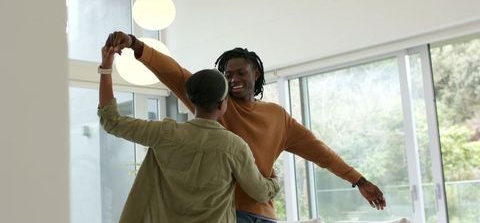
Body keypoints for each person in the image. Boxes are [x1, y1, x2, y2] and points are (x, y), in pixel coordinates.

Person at [105, 32, 387, 223]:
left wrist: (359, 181)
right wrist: (134, 44)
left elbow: (320, 152)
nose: (233, 79)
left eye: (241, 72)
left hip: (264, 215)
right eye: (227, 75)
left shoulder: (278, 116)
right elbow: (172, 72)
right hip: (229, 214)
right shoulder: (215, 102)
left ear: (257, 73)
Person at [97, 44, 280, 223]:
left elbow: (111, 121)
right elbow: (260, 192)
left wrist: (106, 68)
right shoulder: (234, 146)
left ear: (192, 100)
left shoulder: (164, 133)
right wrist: (274, 179)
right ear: (221, 104)